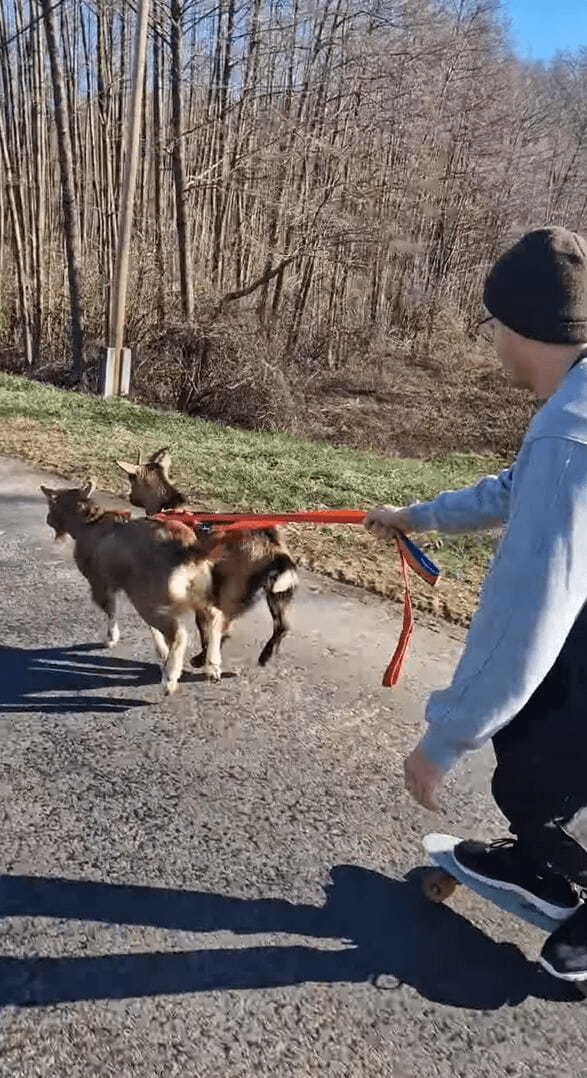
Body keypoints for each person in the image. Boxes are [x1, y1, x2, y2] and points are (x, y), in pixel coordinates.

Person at [365, 226, 587, 983]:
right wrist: (415, 516)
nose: (489, 338)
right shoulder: (575, 406)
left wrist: (444, 740)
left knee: (534, 763)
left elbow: (526, 613)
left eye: (491, 322)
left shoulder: (569, 429)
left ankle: (558, 870)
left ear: (518, 326)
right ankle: (540, 856)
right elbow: (513, 486)